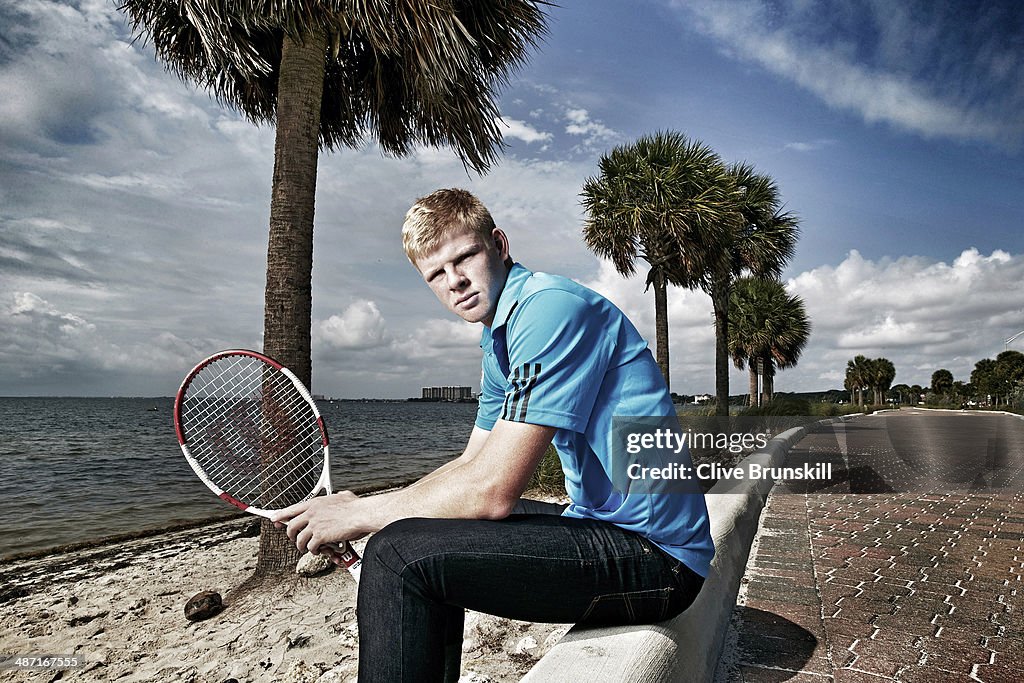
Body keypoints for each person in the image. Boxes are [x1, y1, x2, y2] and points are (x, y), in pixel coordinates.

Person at [272, 188, 714, 682]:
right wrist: (372, 512)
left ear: (499, 245)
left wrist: (358, 515)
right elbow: (471, 467)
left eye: (465, 256)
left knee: (398, 557)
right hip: (604, 527)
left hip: (659, 559)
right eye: (436, 274)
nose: (455, 281)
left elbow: (493, 491)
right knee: (402, 535)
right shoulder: (499, 336)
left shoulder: (550, 309)